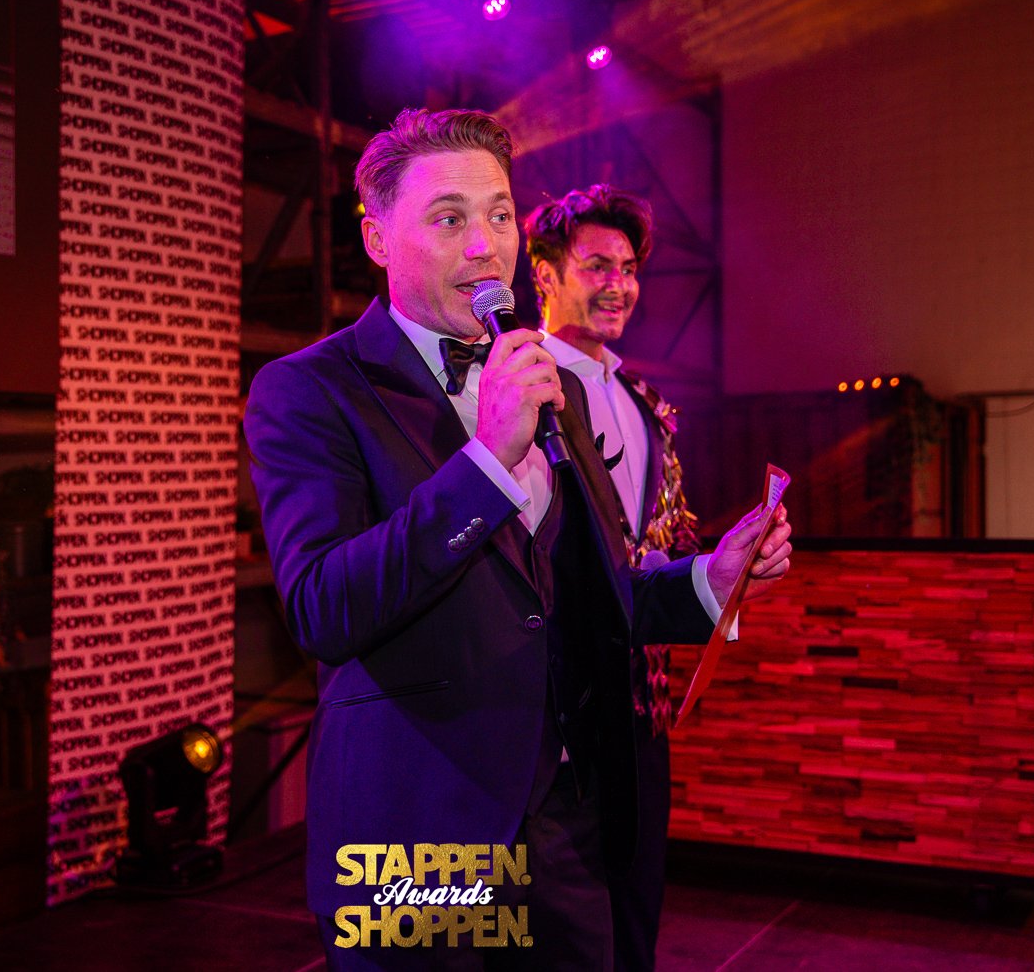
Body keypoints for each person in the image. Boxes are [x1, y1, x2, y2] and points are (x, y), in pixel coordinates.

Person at [243, 108, 791, 970]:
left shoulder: (542, 379)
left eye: (498, 215)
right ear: (378, 238)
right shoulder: (311, 389)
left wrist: (707, 583)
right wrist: (487, 463)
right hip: (419, 833)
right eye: (449, 218)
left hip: (565, 820)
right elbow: (324, 608)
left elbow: (588, 587)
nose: (484, 246)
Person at [526, 184, 700, 972]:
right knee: (556, 941)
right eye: (597, 265)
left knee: (635, 920)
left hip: (641, 712)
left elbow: (667, 537)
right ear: (545, 274)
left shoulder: (645, 402)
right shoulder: (514, 388)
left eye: (628, 269)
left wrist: (725, 565)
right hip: (551, 714)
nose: (618, 285)